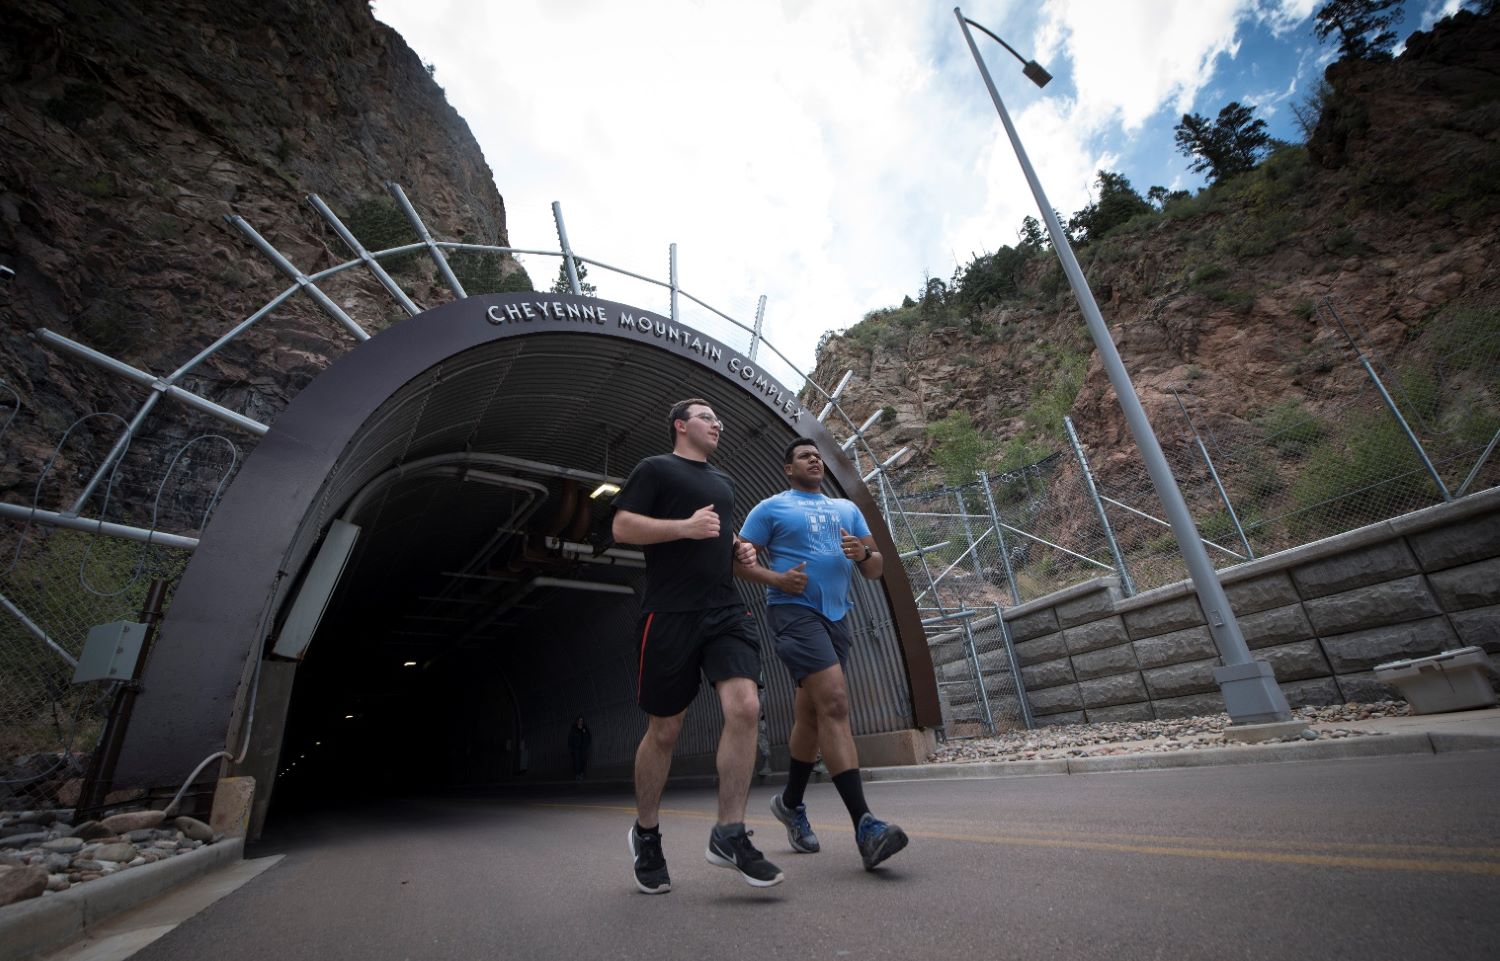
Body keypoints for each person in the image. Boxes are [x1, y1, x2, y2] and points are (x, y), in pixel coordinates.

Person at [612, 398, 785, 894]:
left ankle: (729, 833)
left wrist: (739, 550)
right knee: (665, 731)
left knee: (746, 705)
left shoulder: (725, 483)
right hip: (668, 615)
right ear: (681, 426)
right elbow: (622, 527)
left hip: (725, 610)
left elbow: (720, 544)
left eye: (719, 418)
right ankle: (647, 834)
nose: (718, 423)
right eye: (708, 417)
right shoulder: (655, 469)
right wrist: (683, 528)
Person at [736, 437, 909, 870]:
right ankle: (865, 827)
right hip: (794, 613)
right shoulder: (771, 508)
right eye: (804, 456)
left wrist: (864, 552)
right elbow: (739, 562)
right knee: (834, 702)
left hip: (838, 616)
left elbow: (875, 568)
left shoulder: (846, 509)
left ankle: (791, 803)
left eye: (818, 455)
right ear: (788, 469)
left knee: (812, 715)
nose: (815, 459)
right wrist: (776, 580)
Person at [568, 715, 591, 781]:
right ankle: (577, 774)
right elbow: (570, 739)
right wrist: (571, 747)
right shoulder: (574, 729)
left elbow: (589, 737)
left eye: (582, 720)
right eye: (580, 720)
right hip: (576, 749)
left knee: (583, 761)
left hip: (583, 748)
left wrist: (587, 745)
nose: (581, 721)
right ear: (577, 721)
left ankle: (581, 773)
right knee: (577, 761)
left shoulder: (585, 729)